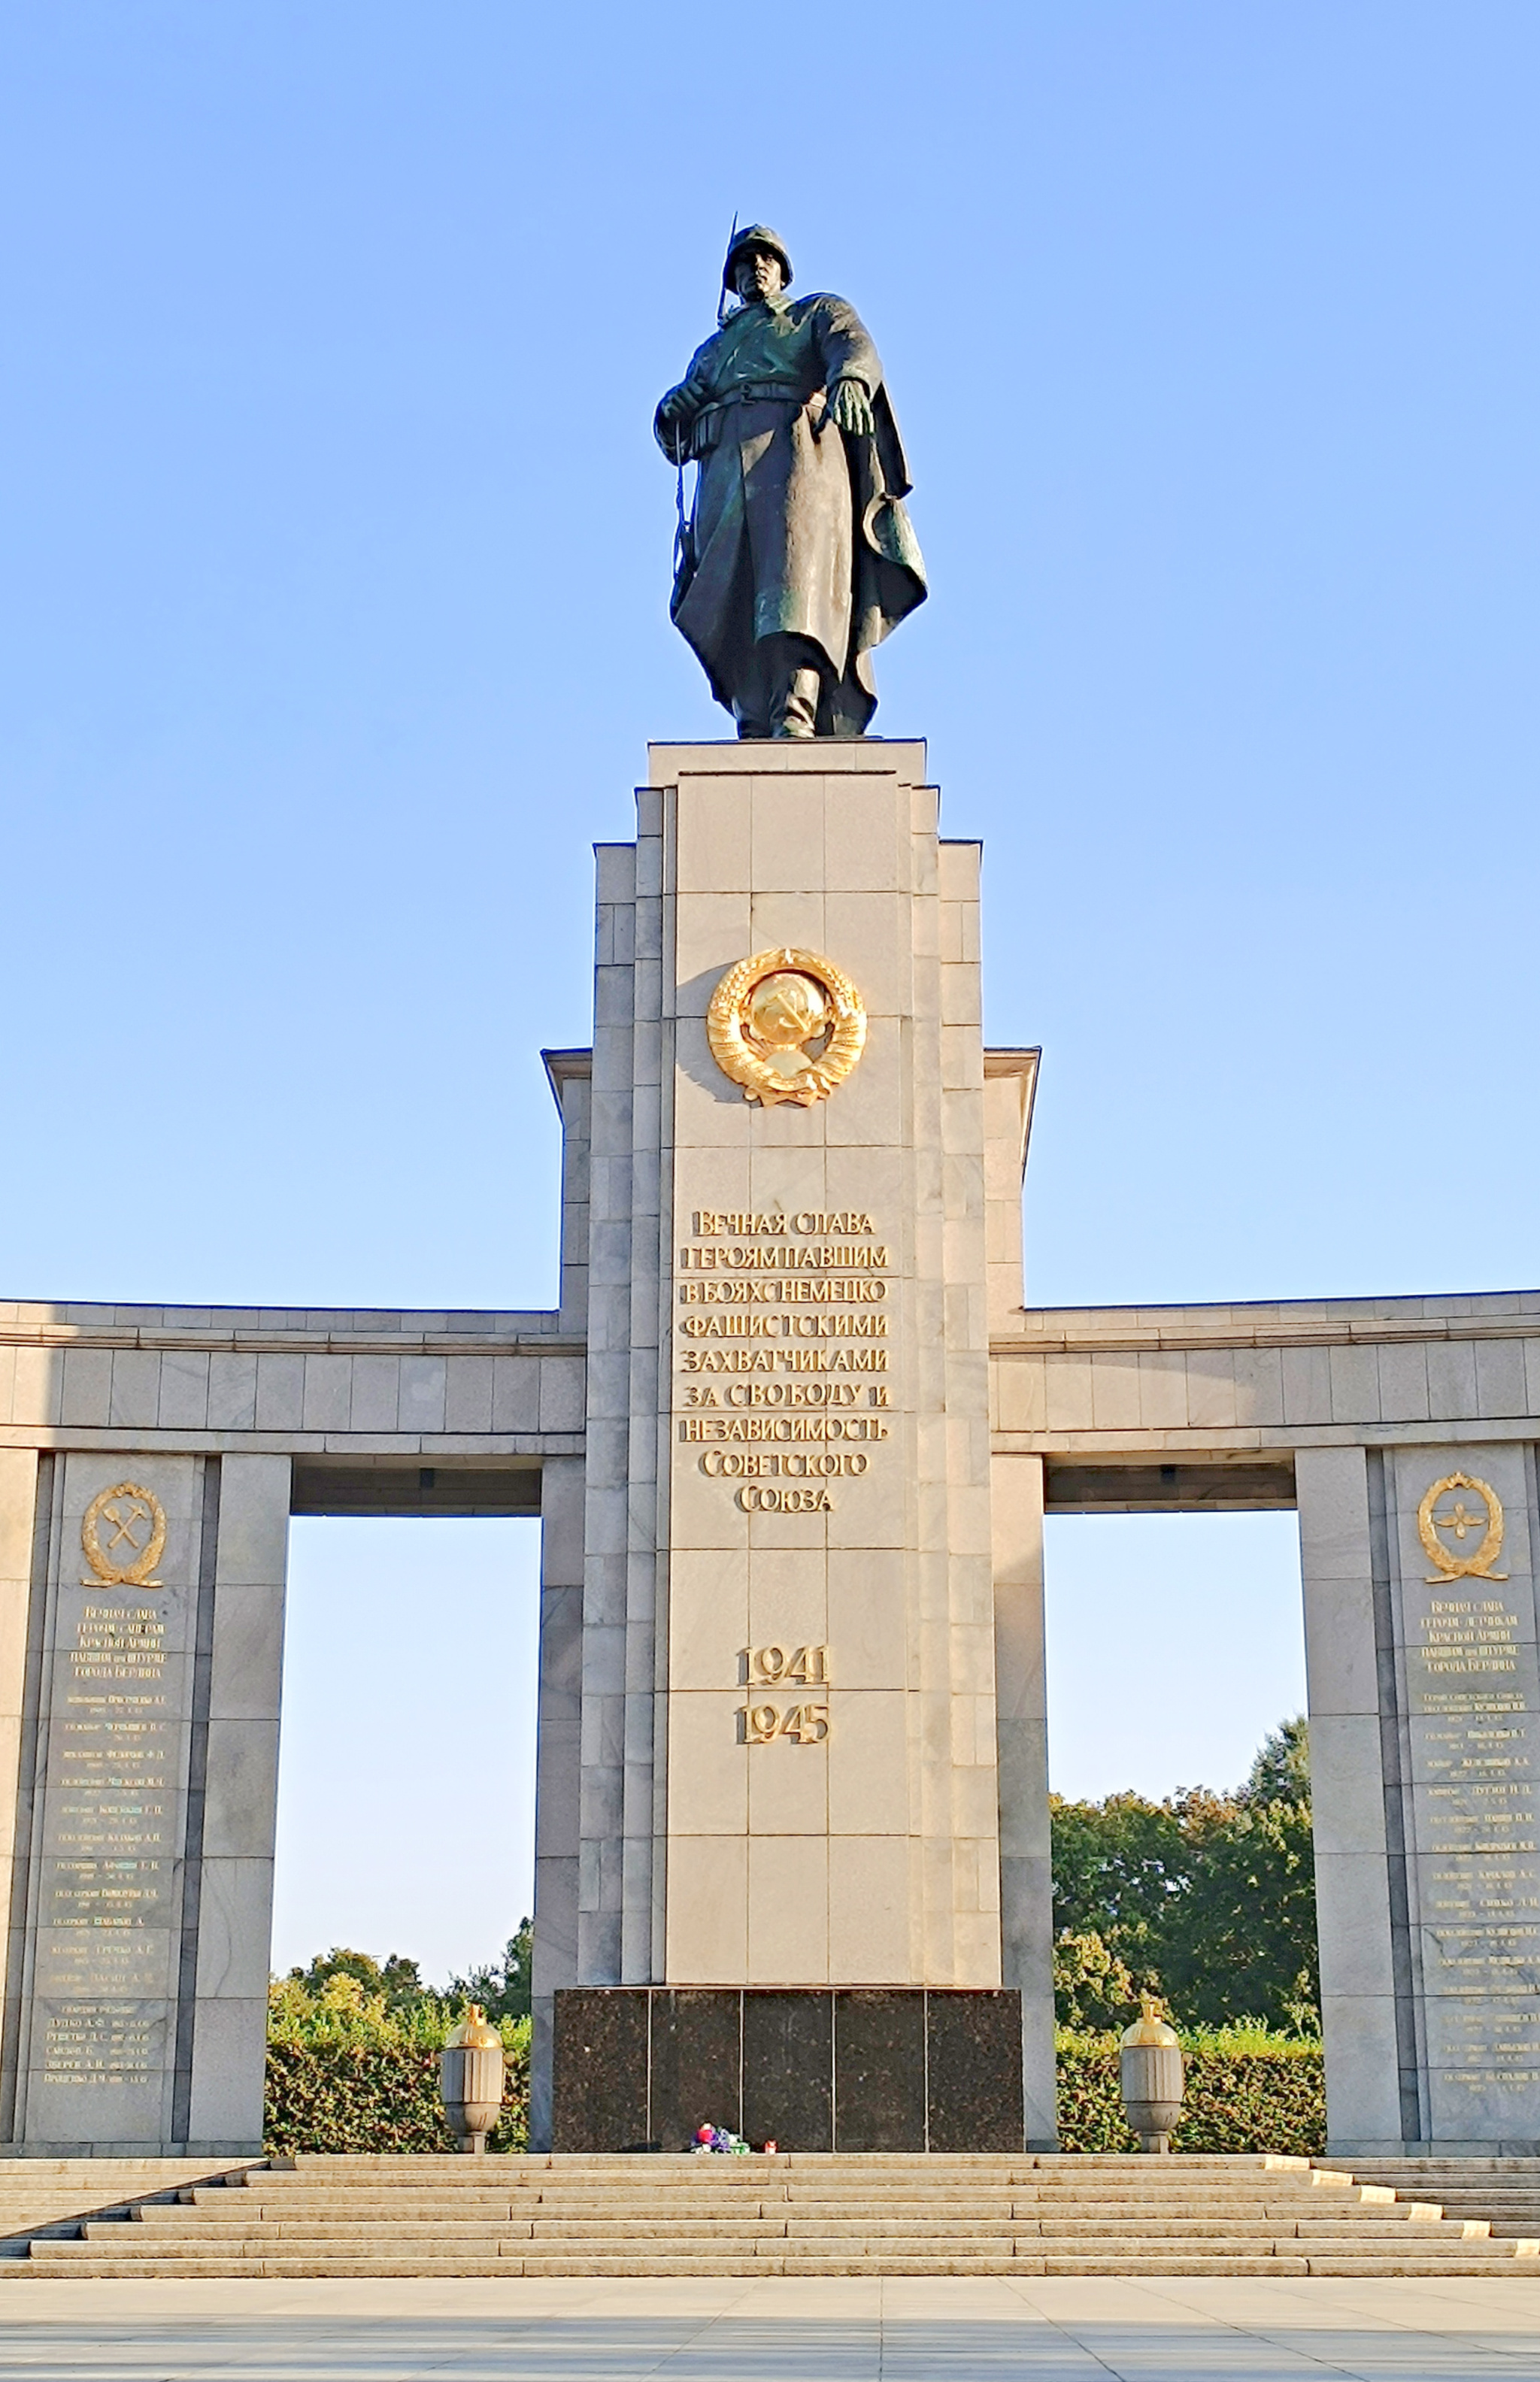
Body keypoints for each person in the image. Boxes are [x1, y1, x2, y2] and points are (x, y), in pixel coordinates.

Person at [655, 227, 926, 738]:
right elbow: (674, 436)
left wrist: (849, 379)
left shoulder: (813, 313)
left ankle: (795, 711)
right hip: (725, 475)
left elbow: (852, 344)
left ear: (783, 271)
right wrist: (672, 413)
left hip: (795, 458)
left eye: (766, 259)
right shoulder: (713, 352)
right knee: (734, 594)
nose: (756, 267)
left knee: (792, 589)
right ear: (733, 281)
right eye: (745, 262)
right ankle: (752, 711)